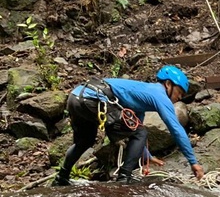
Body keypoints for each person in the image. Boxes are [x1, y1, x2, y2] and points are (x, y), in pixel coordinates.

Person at [52, 65, 204, 185]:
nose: (179, 98)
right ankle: (124, 179)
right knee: (141, 132)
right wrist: (193, 162)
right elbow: (176, 129)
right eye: (179, 93)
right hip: (94, 99)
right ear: (168, 84)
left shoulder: (141, 99)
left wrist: (146, 156)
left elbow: (134, 131)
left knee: (84, 141)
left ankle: (61, 178)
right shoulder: (158, 94)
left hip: (76, 96)